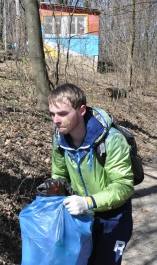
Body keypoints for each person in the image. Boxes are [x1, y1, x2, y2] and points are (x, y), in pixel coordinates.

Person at [48, 83, 134, 265]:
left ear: (81, 110)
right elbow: (59, 174)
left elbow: (124, 186)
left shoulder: (111, 140)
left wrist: (88, 202)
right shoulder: (60, 139)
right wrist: (54, 188)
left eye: (62, 114)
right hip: (82, 216)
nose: (56, 120)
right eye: (52, 114)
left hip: (114, 217)